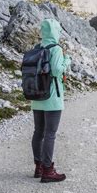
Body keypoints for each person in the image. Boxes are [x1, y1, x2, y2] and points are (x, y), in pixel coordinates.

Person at [31, 18, 71, 183]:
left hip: (36, 97)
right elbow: (56, 71)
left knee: (38, 132)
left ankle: (38, 166)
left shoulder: (36, 49)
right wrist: (67, 61)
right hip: (52, 98)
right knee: (50, 134)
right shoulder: (56, 49)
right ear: (55, 32)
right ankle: (48, 170)